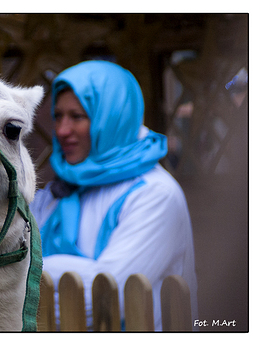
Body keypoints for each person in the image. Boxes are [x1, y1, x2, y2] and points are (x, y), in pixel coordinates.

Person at [30, 60, 198, 331]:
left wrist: (23, 275)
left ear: (111, 118)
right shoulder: (57, 192)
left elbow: (104, 296)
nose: (61, 130)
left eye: (77, 116)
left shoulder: (155, 195)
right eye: (58, 115)